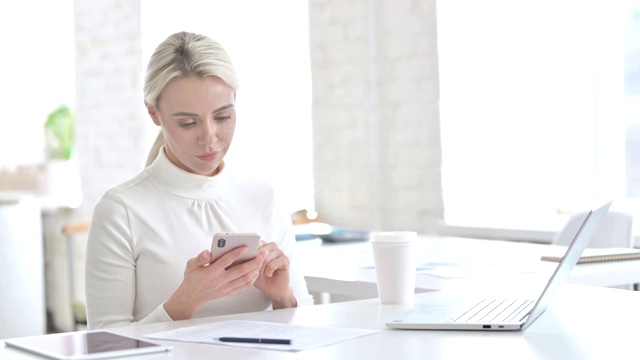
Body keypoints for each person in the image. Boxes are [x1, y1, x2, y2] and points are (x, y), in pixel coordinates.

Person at [84, 31, 314, 329]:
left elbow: (307, 324)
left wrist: (284, 297)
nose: (209, 138)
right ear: (153, 112)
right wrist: (184, 303)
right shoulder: (121, 211)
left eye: (222, 117)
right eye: (188, 123)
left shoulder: (263, 198)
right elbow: (105, 344)